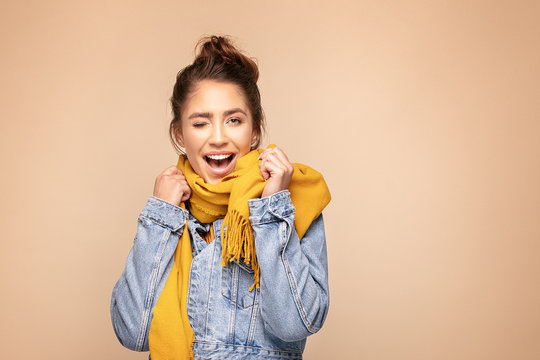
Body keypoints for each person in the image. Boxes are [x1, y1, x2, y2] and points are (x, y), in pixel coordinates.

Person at [110, 35, 331, 360]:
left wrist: (271, 210)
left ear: (254, 131)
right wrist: (160, 217)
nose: (217, 137)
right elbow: (133, 333)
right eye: (200, 123)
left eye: (234, 120)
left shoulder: (293, 200)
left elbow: (295, 324)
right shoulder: (171, 210)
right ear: (179, 134)